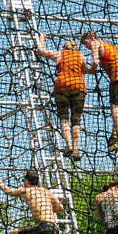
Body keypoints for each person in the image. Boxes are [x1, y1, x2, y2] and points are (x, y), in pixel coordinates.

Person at [34, 33, 87, 162]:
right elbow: (85, 70)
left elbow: (41, 51)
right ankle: (75, 148)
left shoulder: (59, 54)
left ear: (64, 47)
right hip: (78, 87)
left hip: (61, 87)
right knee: (76, 119)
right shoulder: (81, 56)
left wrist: (41, 39)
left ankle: (67, 145)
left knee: (64, 118)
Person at [81, 30, 118, 153]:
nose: (87, 47)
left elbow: (95, 61)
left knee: (114, 105)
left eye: (86, 44)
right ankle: (114, 135)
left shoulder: (96, 43)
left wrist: (91, 70)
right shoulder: (110, 46)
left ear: (91, 38)